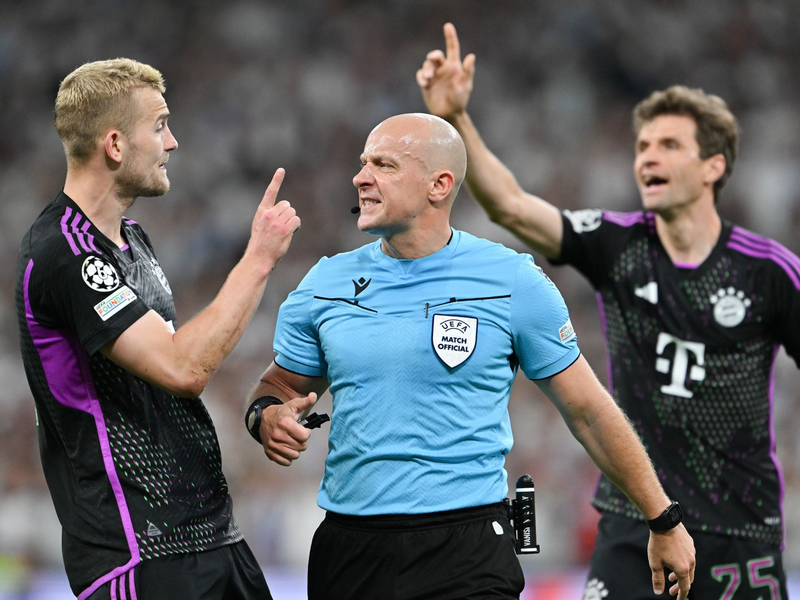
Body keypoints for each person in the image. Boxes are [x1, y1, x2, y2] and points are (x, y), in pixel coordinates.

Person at [417, 22, 800, 600]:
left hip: (739, 528)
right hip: (637, 518)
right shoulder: (618, 244)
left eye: (668, 145)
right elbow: (513, 209)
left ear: (713, 166)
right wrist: (458, 120)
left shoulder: (767, 270)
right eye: (643, 145)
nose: (647, 155)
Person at [245, 112, 695, 600]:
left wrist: (663, 518)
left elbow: (588, 410)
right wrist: (267, 418)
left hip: (467, 551)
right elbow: (278, 389)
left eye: (384, 165)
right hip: (350, 550)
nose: (360, 177)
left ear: (439, 185)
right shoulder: (325, 282)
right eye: (362, 163)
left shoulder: (511, 281)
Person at [14, 58, 300, 600]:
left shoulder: (130, 240)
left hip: (209, 535)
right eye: (161, 125)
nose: (173, 142)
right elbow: (181, 367)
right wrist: (258, 258)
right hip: (136, 552)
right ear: (116, 145)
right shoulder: (63, 253)